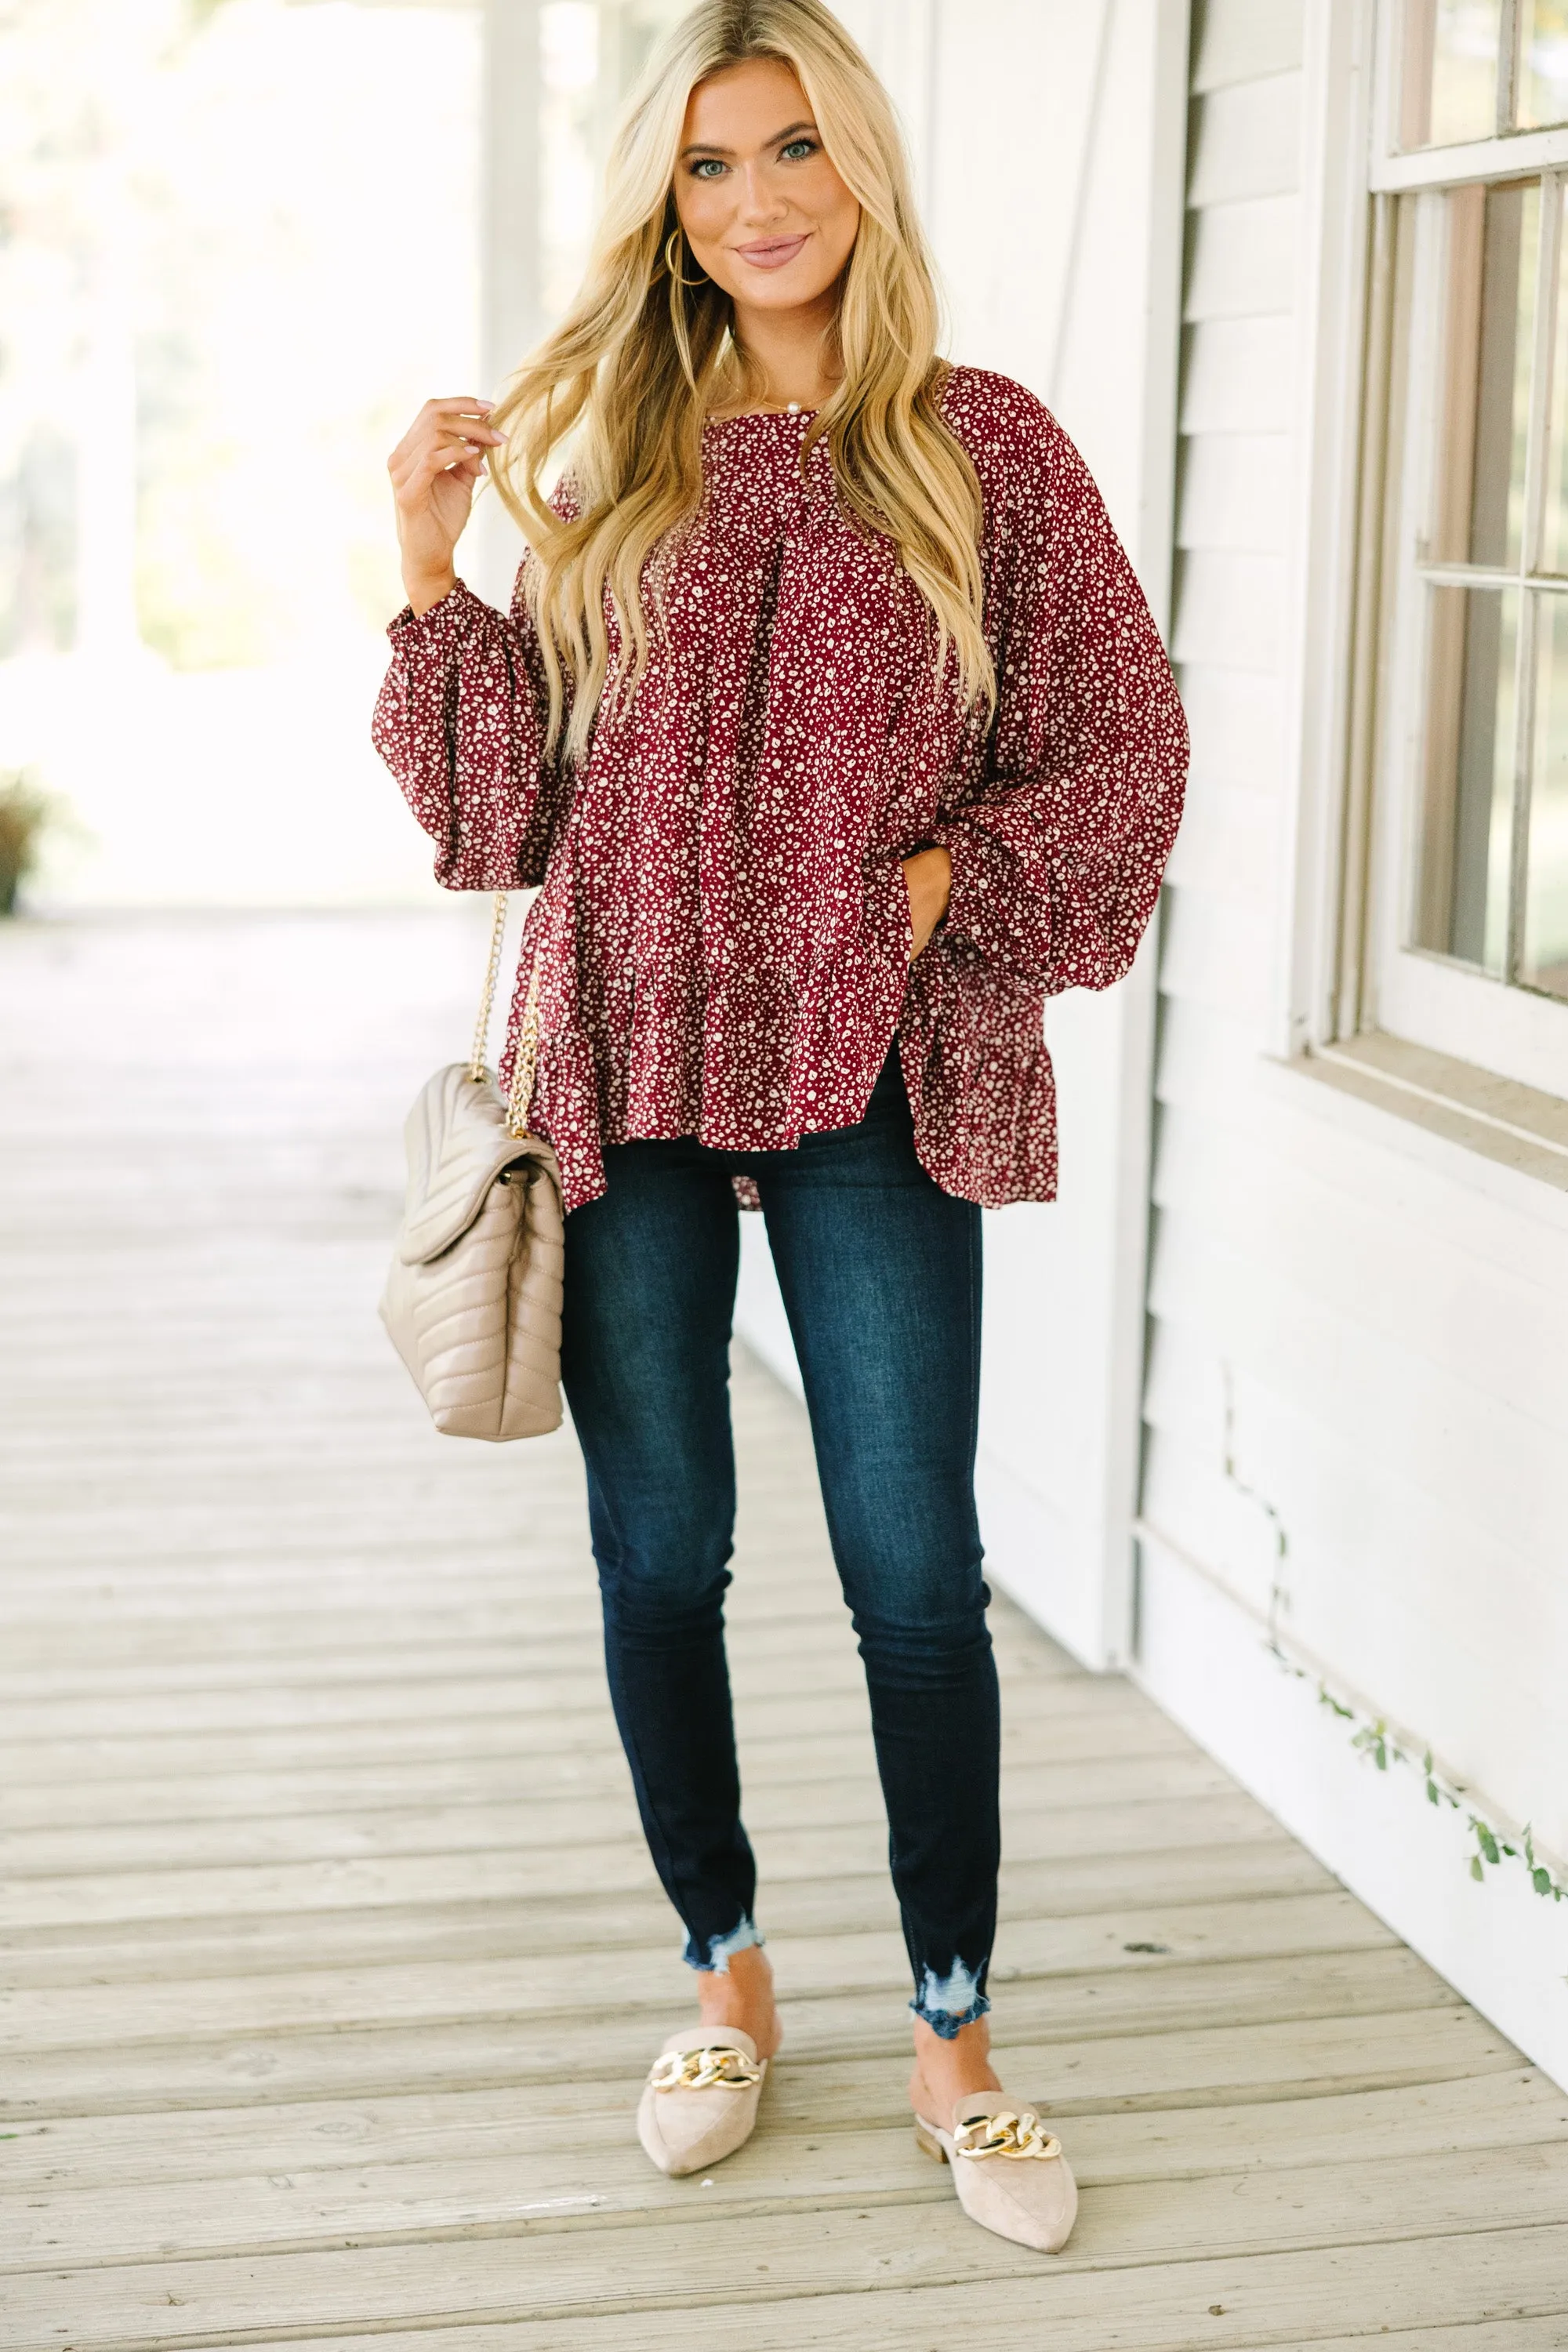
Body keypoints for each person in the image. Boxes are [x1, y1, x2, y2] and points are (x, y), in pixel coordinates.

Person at [374, 0, 1185, 2254]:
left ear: (866, 166)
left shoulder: (980, 449)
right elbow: (496, 818)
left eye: (796, 148)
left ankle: (953, 2030)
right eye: (712, 165)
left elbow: (1123, 753)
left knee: (915, 1571)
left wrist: (941, 886)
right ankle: (724, 1977)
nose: (759, 201)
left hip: (885, 1065)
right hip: (625, 1051)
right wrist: (437, 572)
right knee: (661, 1556)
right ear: (666, 200)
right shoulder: (610, 465)